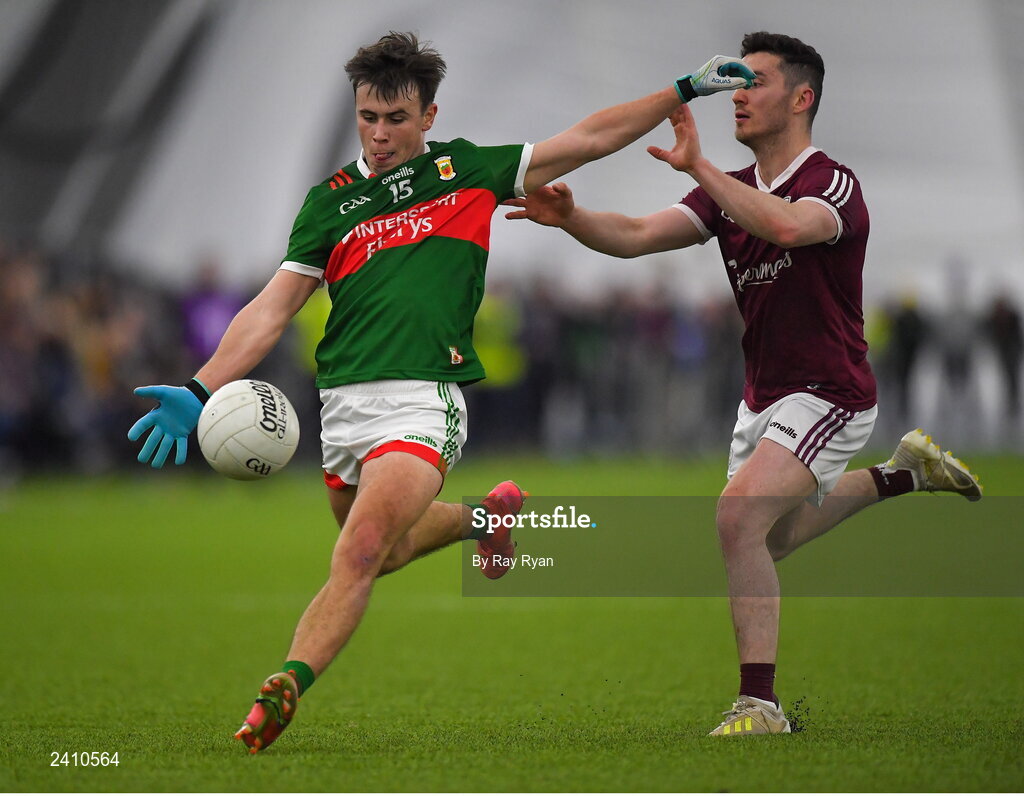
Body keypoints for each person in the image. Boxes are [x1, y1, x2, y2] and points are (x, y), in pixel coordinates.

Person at [127, 31, 755, 753]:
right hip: (343, 410)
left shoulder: (468, 169)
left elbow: (586, 137)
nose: (380, 132)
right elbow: (272, 307)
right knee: (386, 554)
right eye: (368, 115)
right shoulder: (328, 204)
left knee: (361, 551)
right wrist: (200, 387)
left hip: (424, 401)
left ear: (428, 115)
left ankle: (287, 682)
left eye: (396, 117)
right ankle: (480, 520)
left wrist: (681, 89)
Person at [505, 31, 983, 736]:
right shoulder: (729, 191)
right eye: (736, 82)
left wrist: (700, 167)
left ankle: (760, 706)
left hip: (830, 390)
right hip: (763, 396)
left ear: (802, 97)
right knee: (771, 538)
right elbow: (637, 232)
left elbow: (789, 228)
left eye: (755, 81)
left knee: (736, 518)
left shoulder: (831, 183)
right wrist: (572, 218)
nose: (739, 93)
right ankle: (901, 475)